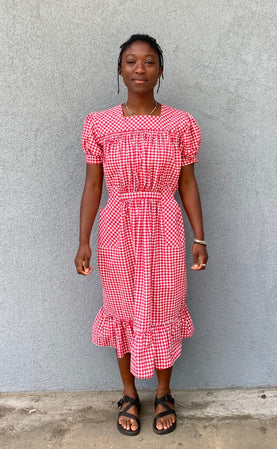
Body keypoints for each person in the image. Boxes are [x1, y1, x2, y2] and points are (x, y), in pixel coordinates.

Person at [74, 34, 208, 436]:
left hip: (165, 225)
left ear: (160, 70)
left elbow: (187, 184)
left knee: (165, 306)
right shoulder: (100, 123)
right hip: (119, 228)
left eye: (149, 62)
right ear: (120, 69)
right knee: (124, 308)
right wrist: (84, 240)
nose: (139, 69)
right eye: (131, 62)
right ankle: (130, 393)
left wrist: (199, 238)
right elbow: (94, 186)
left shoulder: (180, 123)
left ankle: (164, 392)